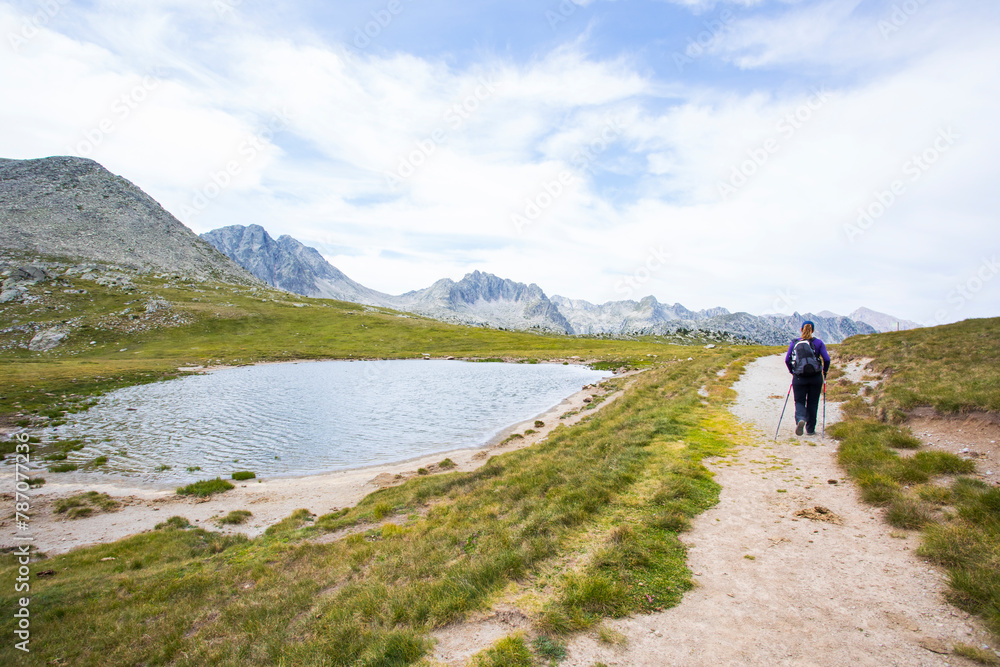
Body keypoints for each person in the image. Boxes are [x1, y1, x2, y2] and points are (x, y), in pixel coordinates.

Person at [784, 321, 830, 436]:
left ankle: (800, 419)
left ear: (801, 329)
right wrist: (824, 371)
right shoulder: (818, 343)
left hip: (799, 377)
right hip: (816, 377)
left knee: (799, 401)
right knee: (813, 403)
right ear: (813, 330)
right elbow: (827, 359)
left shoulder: (795, 342)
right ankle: (810, 429)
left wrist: (792, 371)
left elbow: (787, 359)